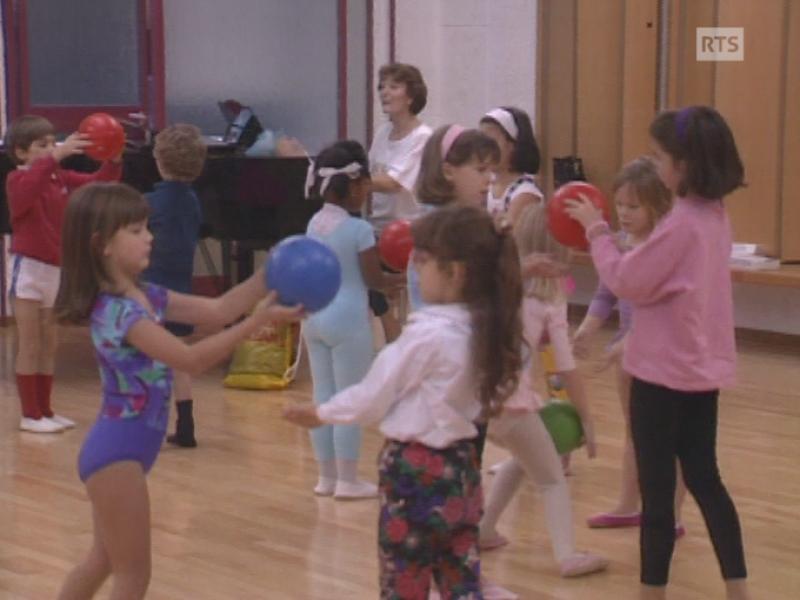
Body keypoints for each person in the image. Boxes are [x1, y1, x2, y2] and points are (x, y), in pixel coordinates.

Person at [54, 182, 302, 600]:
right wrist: (256, 323)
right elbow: (190, 360)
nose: (149, 236)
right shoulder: (120, 313)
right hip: (116, 456)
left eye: (147, 226)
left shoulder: (145, 295)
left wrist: (268, 275)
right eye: (135, 230)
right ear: (102, 245)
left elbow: (217, 310)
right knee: (133, 576)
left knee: (103, 559)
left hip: (122, 451)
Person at [284, 204, 523, 600]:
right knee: (459, 574)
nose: (414, 267)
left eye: (424, 261)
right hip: (462, 469)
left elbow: (376, 393)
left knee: (405, 580)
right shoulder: (487, 326)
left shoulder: (428, 334)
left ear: (455, 272)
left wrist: (322, 412)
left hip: (414, 472)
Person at [565, 106, 751, 600]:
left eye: (659, 155)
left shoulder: (681, 224)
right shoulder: (714, 215)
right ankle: (738, 588)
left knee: (658, 493)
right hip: (699, 372)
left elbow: (626, 280)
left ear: (684, 164)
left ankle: (652, 592)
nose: (656, 163)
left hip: (661, 376)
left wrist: (596, 231)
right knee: (706, 479)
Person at [478, 203, 607, 578]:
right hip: (512, 404)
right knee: (551, 477)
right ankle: (567, 556)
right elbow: (566, 368)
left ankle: (484, 529)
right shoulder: (549, 301)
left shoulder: (498, 288)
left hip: (480, 401)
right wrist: (587, 419)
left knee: (524, 459)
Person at [572, 157, 689, 535]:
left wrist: (631, 342)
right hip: (628, 353)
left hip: (662, 354)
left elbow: (668, 307)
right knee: (634, 431)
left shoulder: (664, 246)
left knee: (668, 437)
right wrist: (588, 328)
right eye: (619, 204)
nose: (623, 213)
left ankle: (671, 514)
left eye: (633, 206)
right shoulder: (620, 242)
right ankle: (627, 505)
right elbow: (608, 293)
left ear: (658, 205)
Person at [4, 115, 122, 433]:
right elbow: (26, 193)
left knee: (49, 343)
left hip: (55, 269)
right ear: (20, 153)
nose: (51, 149)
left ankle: (45, 410)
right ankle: (30, 414)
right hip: (28, 270)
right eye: (41, 145)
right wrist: (55, 156)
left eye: (51, 142)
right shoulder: (18, 180)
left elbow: (99, 185)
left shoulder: (58, 178)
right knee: (30, 343)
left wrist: (111, 160)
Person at [302, 140, 404, 499]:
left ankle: (325, 476)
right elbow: (373, 279)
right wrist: (400, 280)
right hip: (349, 320)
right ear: (356, 185)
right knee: (350, 396)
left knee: (323, 395)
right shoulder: (359, 230)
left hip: (315, 317)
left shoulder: (314, 223)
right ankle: (348, 479)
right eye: (366, 185)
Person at [141, 124, 207, 448]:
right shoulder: (193, 201)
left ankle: (148, 426)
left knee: (150, 362)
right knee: (179, 360)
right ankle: (186, 426)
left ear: (159, 161)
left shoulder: (149, 202)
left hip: (151, 287)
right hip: (181, 286)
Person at [367, 63, 433, 342]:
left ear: (410, 96)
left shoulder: (422, 137)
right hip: (377, 226)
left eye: (393, 87)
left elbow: (393, 183)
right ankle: (388, 321)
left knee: (361, 262)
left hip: (408, 231)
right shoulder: (382, 133)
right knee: (348, 248)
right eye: (382, 86)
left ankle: (391, 325)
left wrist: (348, 180)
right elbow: (371, 177)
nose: (384, 92)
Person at [406, 124, 499, 313]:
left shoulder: (469, 222)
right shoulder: (437, 228)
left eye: (491, 171)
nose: (490, 179)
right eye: (481, 170)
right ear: (448, 172)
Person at [478, 106, 543, 221]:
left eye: (491, 141)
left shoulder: (525, 193)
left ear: (512, 145)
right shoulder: (485, 186)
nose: (483, 149)